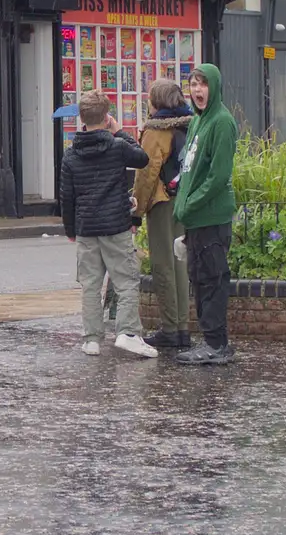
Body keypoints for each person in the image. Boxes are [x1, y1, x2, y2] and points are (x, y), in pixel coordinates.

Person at [60, 90, 158, 359]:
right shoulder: (117, 146)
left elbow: (67, 196)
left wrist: (70, 229)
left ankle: (91, 338)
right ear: (106, 118)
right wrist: (119, 131)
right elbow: (142, 158)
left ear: (82, 118)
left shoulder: (70, 156)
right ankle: (127, 333)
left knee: (91, 284)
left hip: (86, 227)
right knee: (126, 281)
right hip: (115, 225)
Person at [172, 64, 239, 366]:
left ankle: (217, 344)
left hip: (211, 217)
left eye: (203, 84)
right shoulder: (198, 120)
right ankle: (211, 340)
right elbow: (191, 167)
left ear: (214, 87)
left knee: (213, 279)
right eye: (193, 84)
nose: (197, 90)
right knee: (200, 279)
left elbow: (218, 176)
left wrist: (190, 204)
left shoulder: (222, 122)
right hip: (196, 219)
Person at [132, 78, 193, 349]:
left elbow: (146, 175)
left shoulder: (156, 131)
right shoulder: (190, 125)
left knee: (163, 264)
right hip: (185, 199)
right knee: (181, 262)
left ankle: (170, 329)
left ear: (157, 101)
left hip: (162, 202)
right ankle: (182, 327)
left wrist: (137, 209)